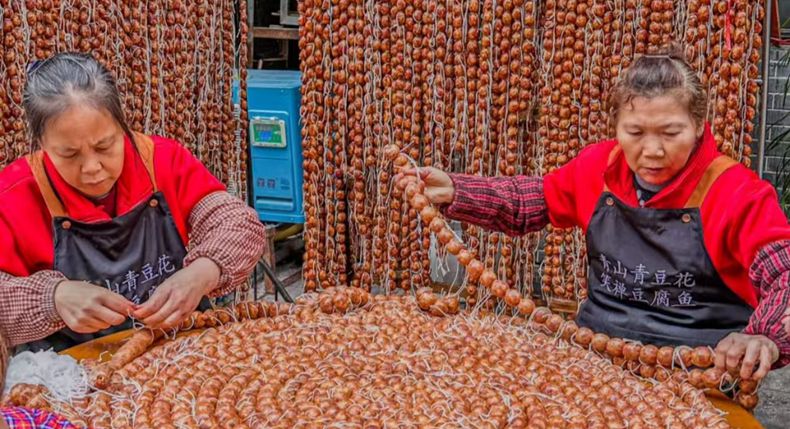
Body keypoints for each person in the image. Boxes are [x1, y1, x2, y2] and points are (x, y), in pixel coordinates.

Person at [399, 43, 790, 382]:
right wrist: (456, 190)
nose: (652, 150)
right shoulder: (598, 168)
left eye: (671, 133)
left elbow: (783, 273)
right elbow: (529, 201)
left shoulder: (736, 191)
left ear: (699, 126)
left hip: (699, 373)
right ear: (616, 126)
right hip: (595, 363)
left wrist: (764, 336)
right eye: (635, 132)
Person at [0, 52, 266, 352]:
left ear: (122, 124)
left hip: (181, 354)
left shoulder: (160, 160)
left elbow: (238, 224)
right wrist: (53, 298)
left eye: (105, 145)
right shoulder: (14, 194)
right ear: (40, 144)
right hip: (73, 374)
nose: (92, 168)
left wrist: (203, 272)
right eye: (69, 154)